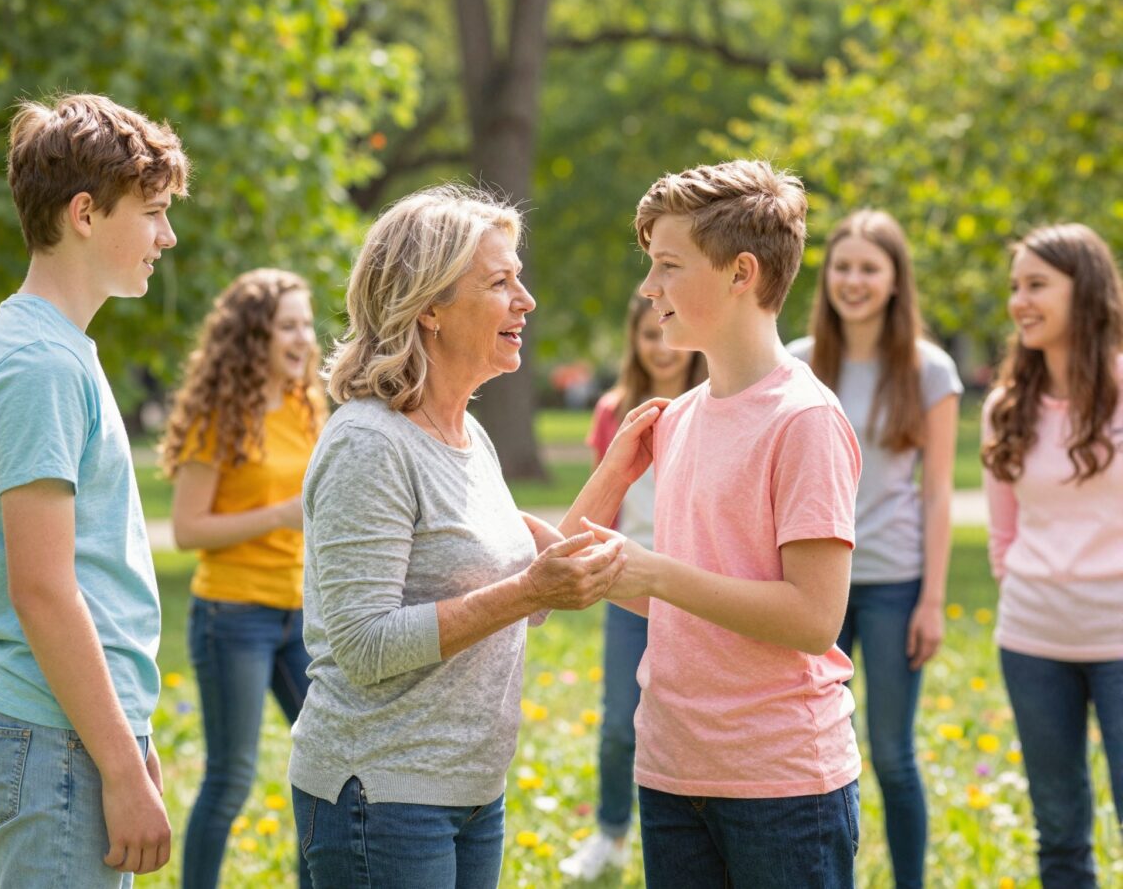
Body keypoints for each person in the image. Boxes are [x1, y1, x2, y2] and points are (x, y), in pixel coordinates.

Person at [289, 185, 665, 889]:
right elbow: (364, 645)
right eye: (500, 283)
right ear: (428, 306)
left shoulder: (469, 436)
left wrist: (619, 467)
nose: (526, 300)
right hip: (381, 796)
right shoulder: (370, 444)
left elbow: (536, 584)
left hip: (469, 793)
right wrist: (528, 592)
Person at [563, 160, 863, 888]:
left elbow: (814, 618)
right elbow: (577, 568)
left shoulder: (805, 420)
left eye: (669, 265)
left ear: (741, 274)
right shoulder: (678, 418)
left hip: (781, 786)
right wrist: (614, 478)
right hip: (671, 769)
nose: (649, 287)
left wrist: (656, 572)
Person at [0, 94, 187, 886]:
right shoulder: (41, 366)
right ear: (85, 213)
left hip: (76, 727)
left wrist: (127, 736)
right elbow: (43, 590)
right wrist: (117, 765)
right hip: (54, 735)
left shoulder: (56, 348)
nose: (167, 237)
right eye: (152, 213)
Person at [787, 210, 962, 889]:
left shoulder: (929, 369)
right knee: (810, 752)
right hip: (808, 584)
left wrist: (933, 600)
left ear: (894, 280)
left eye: (869, 268)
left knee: (891, 753)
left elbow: (939, 492)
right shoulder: (798, 361)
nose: (853, 281)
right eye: (842, 266)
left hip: (894, 583)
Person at [158, 268, 326, 888]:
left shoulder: (309, 406)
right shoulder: (219, 417)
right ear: (253, 336)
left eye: (307, 325)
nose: (303, 339)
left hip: (302, 614)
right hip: (232, 616)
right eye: (288, 326)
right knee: (230, 778)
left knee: (329, 767)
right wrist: (279, 515)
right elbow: (188, 529)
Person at [981, 223, 1123, 889]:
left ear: (1083, 290)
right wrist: (1028, 591)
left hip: (1119, 638)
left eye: (1037, 285)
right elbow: (1003, 536)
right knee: (1059, 833)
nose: (1020, 301)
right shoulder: (1006, 408)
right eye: (1015, 286)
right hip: (1033, 643)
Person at [559, 293, 706, 881]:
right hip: (627, 584)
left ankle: (698, 830)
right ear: (633, 341)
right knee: (620, 722)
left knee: (692, 722)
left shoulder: (709, 404)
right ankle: (612, 832)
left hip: (692, 584)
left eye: (665, 332)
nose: (659, 347)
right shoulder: (613, 410)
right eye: (647, 335)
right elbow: (606, 493)